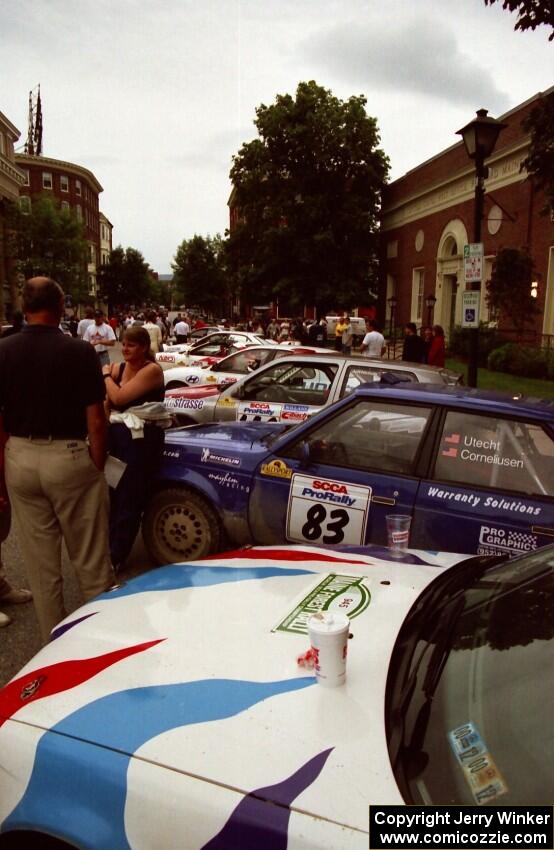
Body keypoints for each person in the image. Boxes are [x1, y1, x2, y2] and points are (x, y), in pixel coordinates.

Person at [0, 277, 113, 642]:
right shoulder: (78, 351)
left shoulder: (3, 350)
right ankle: (101, 638)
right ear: (61, 305)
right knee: (91, 556)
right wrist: (97, 462)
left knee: (40, 562)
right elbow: (96, 417)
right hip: (67, 455)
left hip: (20, 454)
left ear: (25, 306)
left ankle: (57, 644)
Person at [103, 325, 165, 571]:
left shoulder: (151, 370)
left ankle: (117, 555)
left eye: (131, 345)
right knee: (112, 493)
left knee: (130, 495)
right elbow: (107, 404)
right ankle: (108, 547)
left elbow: (119, 398)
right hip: (118, 438)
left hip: (141, 442)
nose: (125, 349)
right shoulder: (119, 369)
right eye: (123, 344)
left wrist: (106, 376)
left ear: (143, 347)